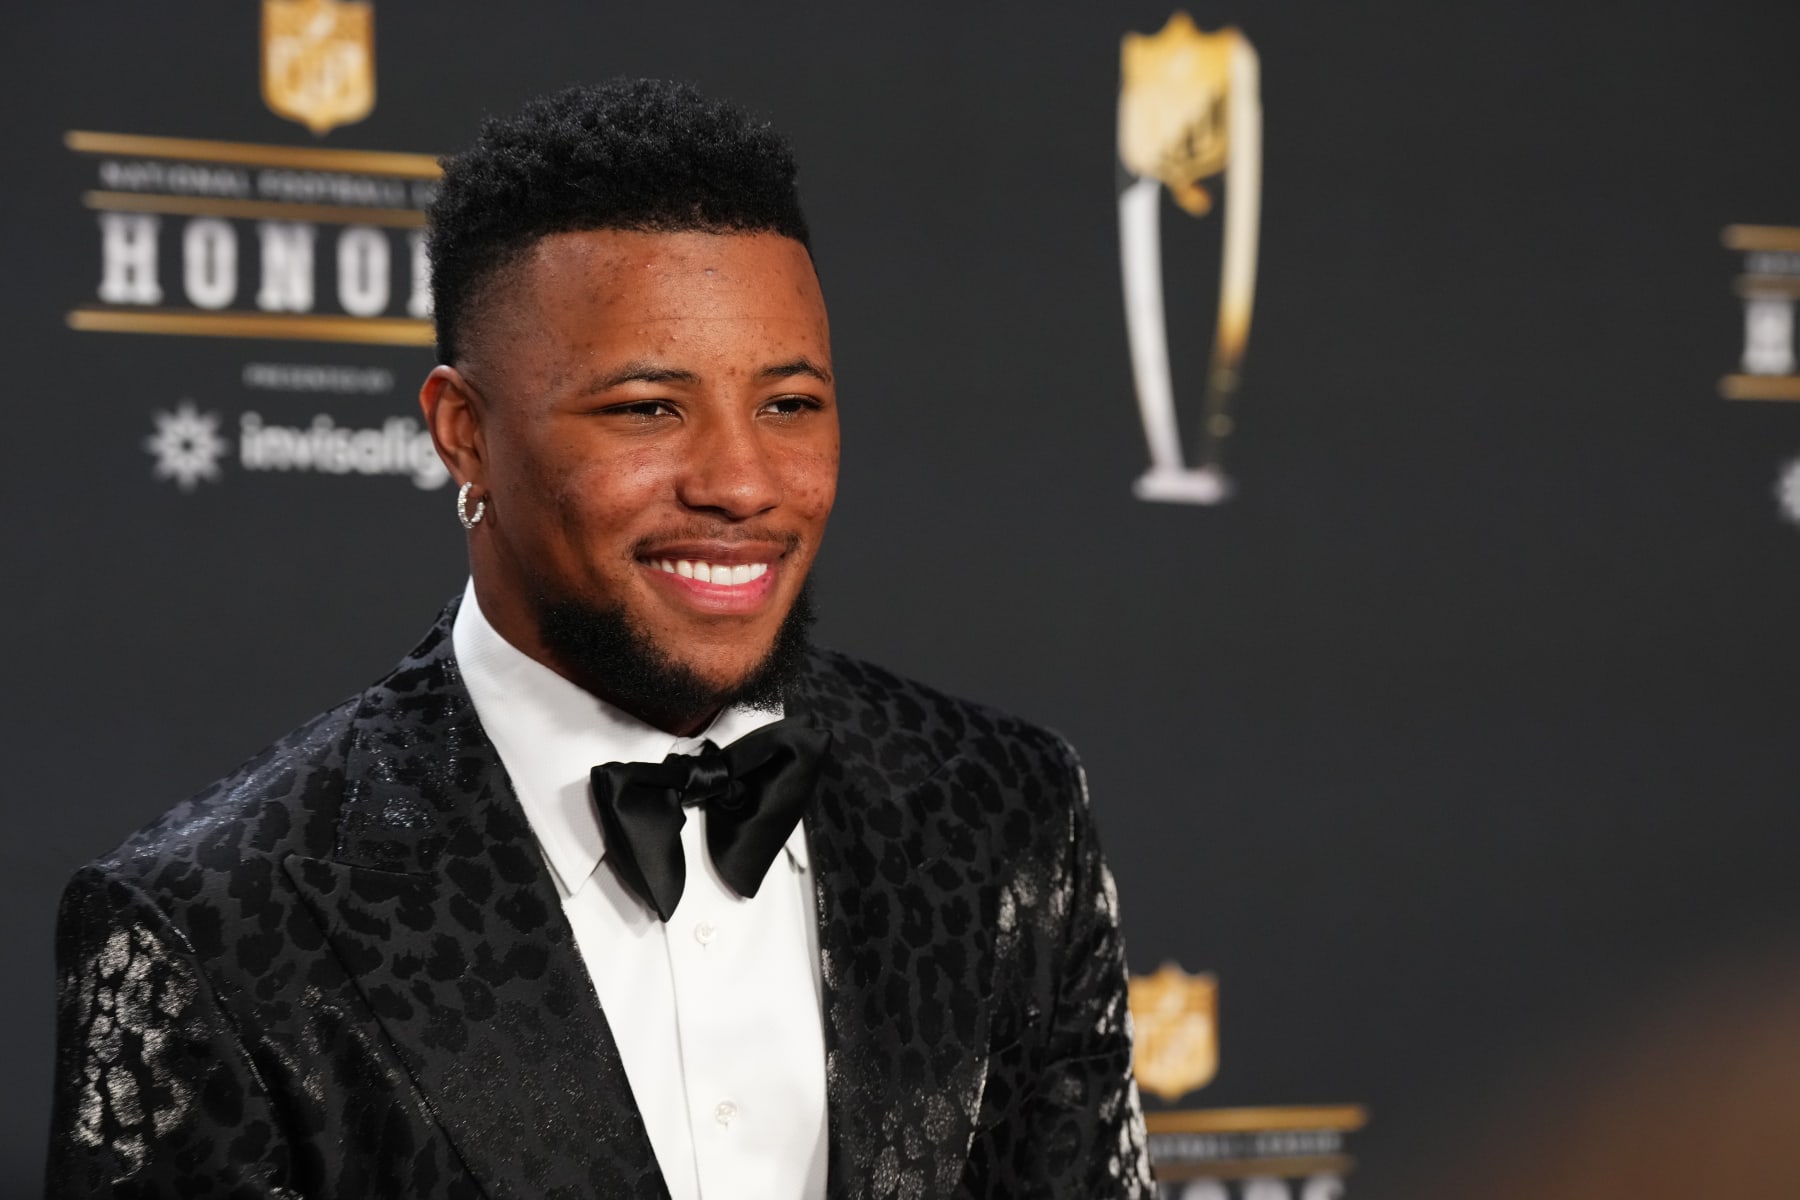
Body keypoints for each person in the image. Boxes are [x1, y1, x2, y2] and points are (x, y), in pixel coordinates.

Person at [47, 79, 1151, 1199]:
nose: (741, 483)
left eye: (789, 404)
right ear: (464, 433)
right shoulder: (214, 925)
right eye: (646, 408)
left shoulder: (1006, 814)